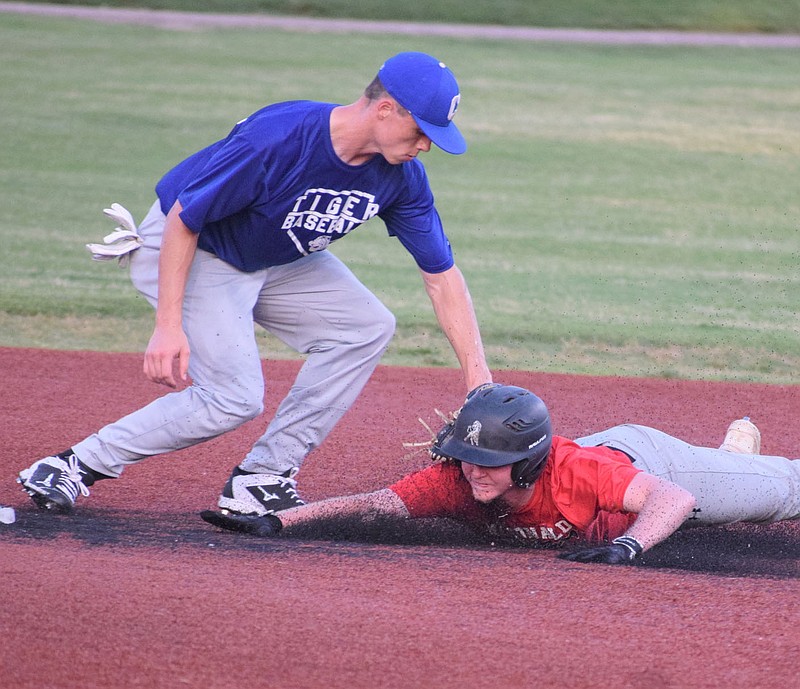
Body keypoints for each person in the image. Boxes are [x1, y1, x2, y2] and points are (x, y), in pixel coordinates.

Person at [17, 52, 492, 516]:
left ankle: (263, 476)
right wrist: (168, 324)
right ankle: (72, 465)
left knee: (365, 327)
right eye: (422, 131)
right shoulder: (278, 138)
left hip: (273, 254)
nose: (425, 145)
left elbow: (442, 277)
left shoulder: (402, 178)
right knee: (233, 397)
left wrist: (478, 382)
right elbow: (185, 218)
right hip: (195, 248)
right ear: (386, 109)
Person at [200, 384, 800, 565]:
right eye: (467, 456)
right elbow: (375, 505)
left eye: (489, 461)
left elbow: (671, 496)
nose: (473, 472)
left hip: (652, 464)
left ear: (528, 461)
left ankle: (738, 463)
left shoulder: (578, 470)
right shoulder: (457, 478)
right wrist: (279, 521)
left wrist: (630, 543)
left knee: (778, 494)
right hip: (618, 479)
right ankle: (736, 453)